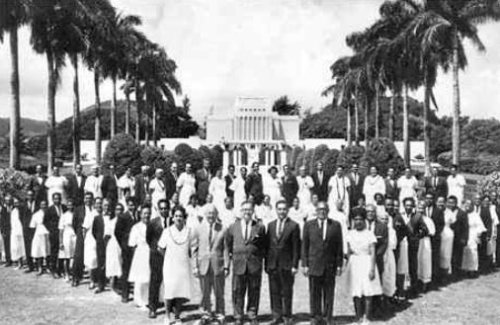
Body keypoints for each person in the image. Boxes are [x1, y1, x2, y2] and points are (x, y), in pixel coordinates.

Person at [302, 201, 344, 325]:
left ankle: (327, 318)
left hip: (329, 265)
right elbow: (305, 245)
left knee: (329, 293)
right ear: (316, 211)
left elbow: (339, 247)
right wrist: (304, 264)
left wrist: (339, 265)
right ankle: (315, 317)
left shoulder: (335, 225)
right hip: (314, 265)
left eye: (324, 209)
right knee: (314, 293)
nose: (322, 211)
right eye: (320, 209)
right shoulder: (309, 225)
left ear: (328, 210)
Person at [225, 201, 266, 325]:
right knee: (237, 290)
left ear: (253, 211)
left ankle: (252, 313)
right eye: (244, 210)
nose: (247, 212)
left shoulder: (259, 227)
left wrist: (259, 259)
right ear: (241, 211)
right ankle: (238, 315)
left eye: (249, 209)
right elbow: (228, 245)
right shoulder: (233, 227)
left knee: (254, 289)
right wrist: (229, 262)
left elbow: (264, 246)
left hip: (254, 264)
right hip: (239, 264)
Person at [158, 206, 196, 325]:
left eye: (180, 216)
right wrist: (169, 257)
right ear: (172, 217)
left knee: (180, 291)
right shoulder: (167, 231)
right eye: (176, 216)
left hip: (183, 265)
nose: (178, 218)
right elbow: (160, 248)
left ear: (184, 218)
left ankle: (177, 316)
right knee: (169, 291)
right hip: (170, 266)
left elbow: (193, 248)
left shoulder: (189, 231)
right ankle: (167, 316)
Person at [265, 200, 301, 325]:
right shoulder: (270, 225)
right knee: (274, 291)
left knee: (286, 291)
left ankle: (287, 316)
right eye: (279, 209)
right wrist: (267, 265)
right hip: (273, 264)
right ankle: (276, 316)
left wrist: (295, 265)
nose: (281, 211)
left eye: (284, 209)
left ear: (288, 210)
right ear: (276, 210)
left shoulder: (294, 226)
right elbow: (268, 246)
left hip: (287, 265)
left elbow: (296, 248)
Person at [192, 204, 229, 324]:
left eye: (213, 213)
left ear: (216, 215)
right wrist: (195, 266)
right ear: (205, 215)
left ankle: (220, 314)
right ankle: (206, 313)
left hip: (217, 265)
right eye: (208, 213)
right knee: (205, 292)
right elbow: (194, 248)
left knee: (219, 291)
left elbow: (225, 249)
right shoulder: (198, 228)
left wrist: (227, 266)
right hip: (203, 265)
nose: (211, 216)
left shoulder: (223, 228)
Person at [345, 212, 383, 323]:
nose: (358, 222)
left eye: (360, 219)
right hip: (355, 263)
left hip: (366, 261)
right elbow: (348, 251)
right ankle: (358, 315)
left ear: (364, 220)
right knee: (356, 290)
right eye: (356, 219)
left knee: (368, 290)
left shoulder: (369, 234)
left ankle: (367, 316)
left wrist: (372, 268)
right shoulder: (350, 234)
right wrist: (347, 265)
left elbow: (373, 252)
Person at [146, 199, 169, 318]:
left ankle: (171, 307)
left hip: (170, 257)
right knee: (155, 281)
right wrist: (156, 249)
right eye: (162, 208)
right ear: (159, 209)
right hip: (156, 256)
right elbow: (148, 239)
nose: (164, 210)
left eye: (166, 208)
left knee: (171, 282)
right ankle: (153, 308)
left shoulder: (174, 221)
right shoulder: (153, 222)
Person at [128, 204, 152, 310]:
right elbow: (132, 244)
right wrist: (139, 255)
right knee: (140, 278)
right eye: (144, 213)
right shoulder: (136, 227)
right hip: (140, 253)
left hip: (151, 252)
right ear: (140, 215)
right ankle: (139, 300)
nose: (146, 216)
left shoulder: (153, 225)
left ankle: (147, 300)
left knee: (148, 277)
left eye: (148, 213)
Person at [115, 197, 138, 303]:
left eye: (133, 205)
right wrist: (124, 243)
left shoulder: (138, 215)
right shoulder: (123, 216)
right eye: (130, 205)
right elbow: (117, 232)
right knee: (126, 270)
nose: (132, 207)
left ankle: (137, 294)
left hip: (136, 247)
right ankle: (125, 293)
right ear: (127, 205)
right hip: (126, 247)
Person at [83, 197, 106, 293]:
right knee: (91, 260)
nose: (99, 205)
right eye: (97, 203)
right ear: (94, 204)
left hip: (101, 239)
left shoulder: (104, 214)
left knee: (99, 260)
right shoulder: (90, 215)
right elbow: (84, 228)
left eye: (101, 203)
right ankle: (92, 280)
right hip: (91, 239)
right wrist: (85, 240)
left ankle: (100, 280)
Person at [72, 192, 94, 286]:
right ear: (84, 199)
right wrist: (79, 233)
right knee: (78, 256)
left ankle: (94, 278)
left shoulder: (94, 209)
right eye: (86, 198)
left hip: (92, 235)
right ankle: (76, 278)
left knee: (92, 255)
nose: (88, 200)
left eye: (90, 198)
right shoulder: (78, 209)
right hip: (81, 234)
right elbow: (74, 223)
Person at [461, 199, 485, 277]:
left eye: (470, 204)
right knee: (465, 251)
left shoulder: (475, 215)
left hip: (472, 234)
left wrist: (478, 234)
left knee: (473, 252)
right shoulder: (463, 214)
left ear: (472, 205)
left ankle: (472, 269)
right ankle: (464, 269)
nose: (468, 206)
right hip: (464, 234)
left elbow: (480, 226)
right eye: (466, 204)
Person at [424, 193, 444, 285]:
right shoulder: (421, 209)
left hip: (434, 238)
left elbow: (441, 225)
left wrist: (434, 234)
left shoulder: (438, 211)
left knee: (434, 258)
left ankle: (434, 280)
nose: (429, 200)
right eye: (427, 198)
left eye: (431, 198)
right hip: (424, 238)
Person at [394, 198, 412, 300]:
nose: (395, 208)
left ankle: (401, 290)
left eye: (397, 206)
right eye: (406, 205)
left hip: (403, 244)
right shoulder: (395, 216)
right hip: (394, 245)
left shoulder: (400, 218)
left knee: (402, 267)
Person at [45, 192, 66, 278]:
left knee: (62, 252)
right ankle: (53, 270)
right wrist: (51, 229)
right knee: (54, 252)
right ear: (53, 199)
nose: (57, 200)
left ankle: (61, 269)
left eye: (58, 198)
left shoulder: (64, 207)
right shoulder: (49, 209)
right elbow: (45, 221)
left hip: (63, 232)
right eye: (55, 199)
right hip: (54, 233)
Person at [417, 200, 436, 292]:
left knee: (425, 261)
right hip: (415, 242)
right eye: (419, 208)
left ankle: (424, 284)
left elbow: (432, 232)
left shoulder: (428, 220)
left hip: (425, 242)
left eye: (422, 208)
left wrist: (424, 232)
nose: (420, 210)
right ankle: (415, 284)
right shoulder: (413, 218)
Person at [105, 203, 123, 292]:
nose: (119, 211)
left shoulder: (125, 221)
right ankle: (113, 285)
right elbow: (107, 236)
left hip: (122, 245)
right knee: (113, 264)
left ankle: (119, 285)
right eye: (117, 209)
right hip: (113, 245)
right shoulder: (111, 222)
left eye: (120, 209)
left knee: (120, 264)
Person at [58, 199, 77, 282]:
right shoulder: (64, 215)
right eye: (69, 205)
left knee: (75, 256)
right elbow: (61, 230)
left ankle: (75, 274)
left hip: (75, 236)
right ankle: (67, 274)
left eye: (72, 205)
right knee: (67, 257)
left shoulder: (76, 214)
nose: (70, 206)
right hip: (67, 236)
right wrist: (61, 242)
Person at [30, 200, 49, 275]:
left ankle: (47, 267)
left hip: (47, 233)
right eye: (42, 204)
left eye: (45, 204)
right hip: (38, 234)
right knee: (39, 251)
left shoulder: (49, 213)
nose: (44, 206)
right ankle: (40, 268)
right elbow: (32, 226)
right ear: (40, 205)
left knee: (47, 251)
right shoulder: (36, 214)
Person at [22, 190, 38, 272]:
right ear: (27, 196)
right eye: (29, 195)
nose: (30, 197)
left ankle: (38, 265)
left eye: (31, 195)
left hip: (35, 227)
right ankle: (30, 266)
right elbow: (21, 217)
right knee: (28, 247)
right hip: (26, 228)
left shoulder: (37, 204)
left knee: (36, 245)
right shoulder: (23, 205)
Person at [10, 197, 26, 268]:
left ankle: (22, 263)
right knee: (16, 247)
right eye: (15, 203)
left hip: (21, 231)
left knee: (22, 247)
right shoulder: (13, 211)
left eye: (17, 202)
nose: (16, 204)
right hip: (15, 231)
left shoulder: (22, 210)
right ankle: (19, 263)